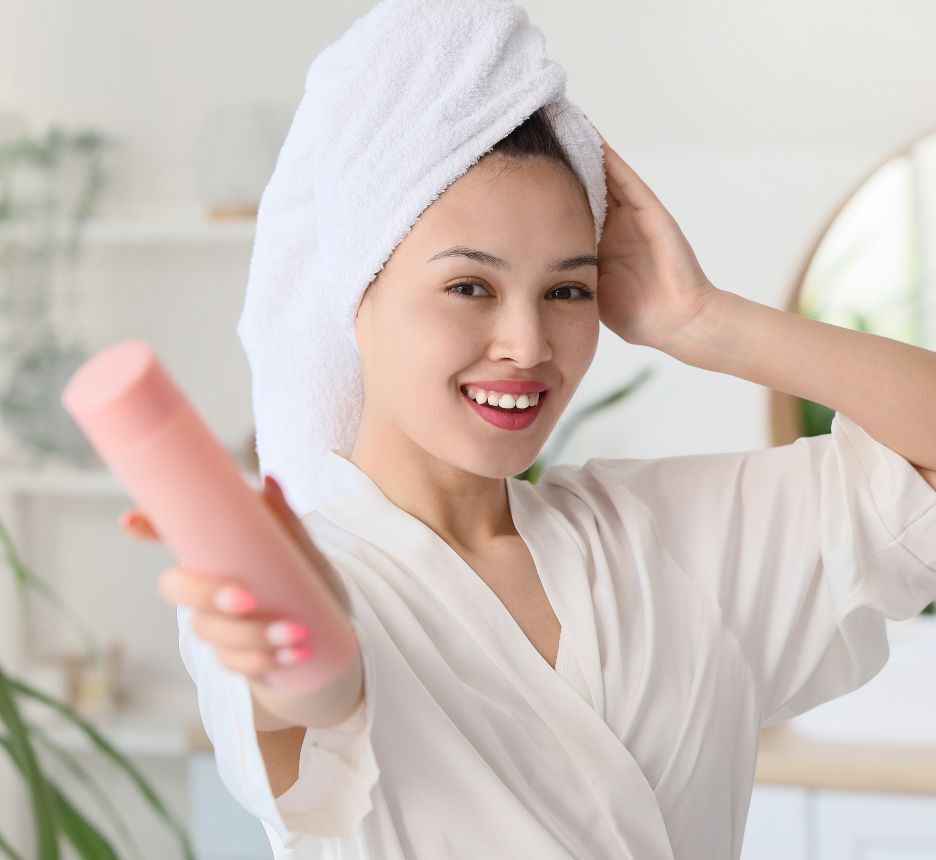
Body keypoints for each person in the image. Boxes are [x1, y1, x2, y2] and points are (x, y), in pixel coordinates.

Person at [121, 104, 936, 858]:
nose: (527, 342)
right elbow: (317, 697)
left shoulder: (661, 534)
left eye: (567, 290)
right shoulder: (298, 580)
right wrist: (300, 634)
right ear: (354, 289)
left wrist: (703, 321)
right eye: (469, 286)